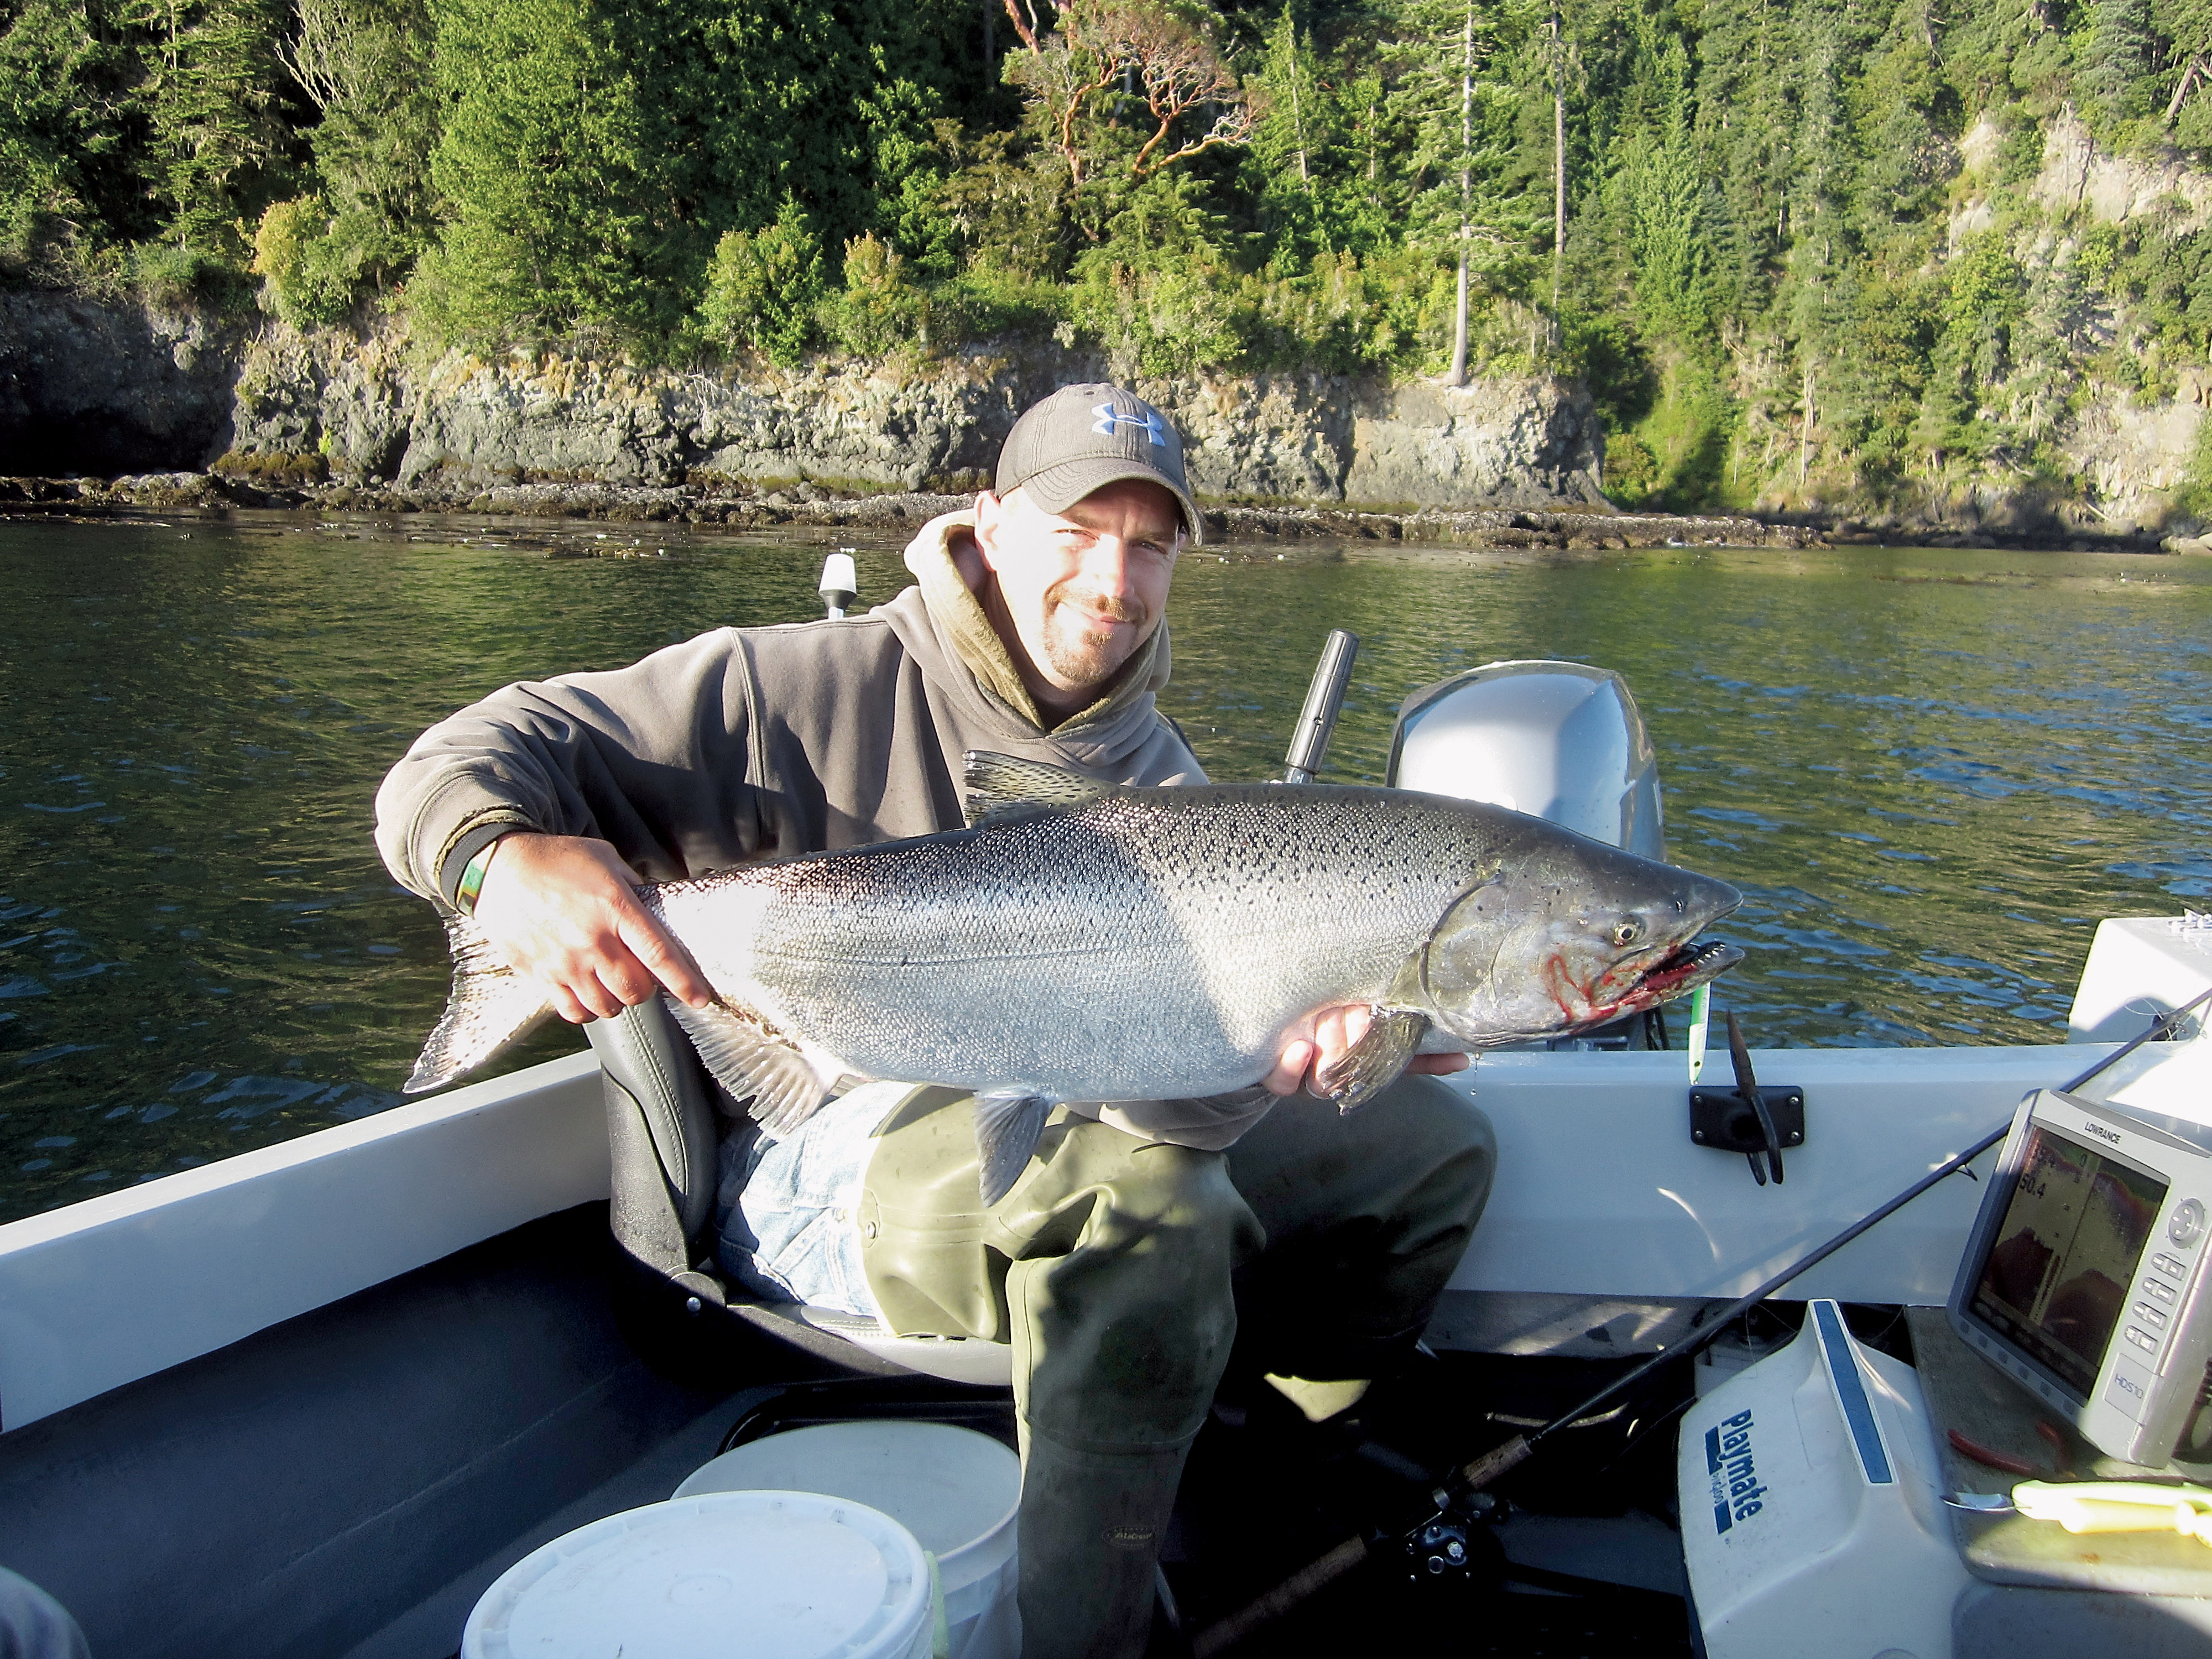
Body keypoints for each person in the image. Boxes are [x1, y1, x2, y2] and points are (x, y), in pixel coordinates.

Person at [375, 384, 1496, 1659]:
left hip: (1061, 1124)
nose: (1112, 579)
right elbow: (468, 751)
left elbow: (1174, 1115)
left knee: (1426, 1146)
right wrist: (494, 865)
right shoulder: (789, 684)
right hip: (804, 1162)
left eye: (1149, 544)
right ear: (988, 522)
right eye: (1076, 529)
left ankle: (1271, 1482)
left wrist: (1274, 1067)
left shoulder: (1175, 792)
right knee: (1147, 1218)